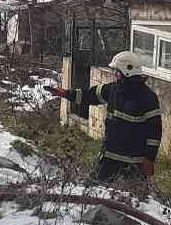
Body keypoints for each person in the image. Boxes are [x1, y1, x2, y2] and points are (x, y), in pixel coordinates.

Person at [50, 51, 162, 183]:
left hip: (133, 165)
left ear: (127, 72)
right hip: (109, 159)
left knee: (131, 200)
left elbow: (155, 132)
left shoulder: (148, 98)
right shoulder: (113, 90)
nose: (115, 74)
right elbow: (89, 95)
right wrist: (65, 93)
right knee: (97, 192)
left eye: (117, 71)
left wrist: (149, 159)